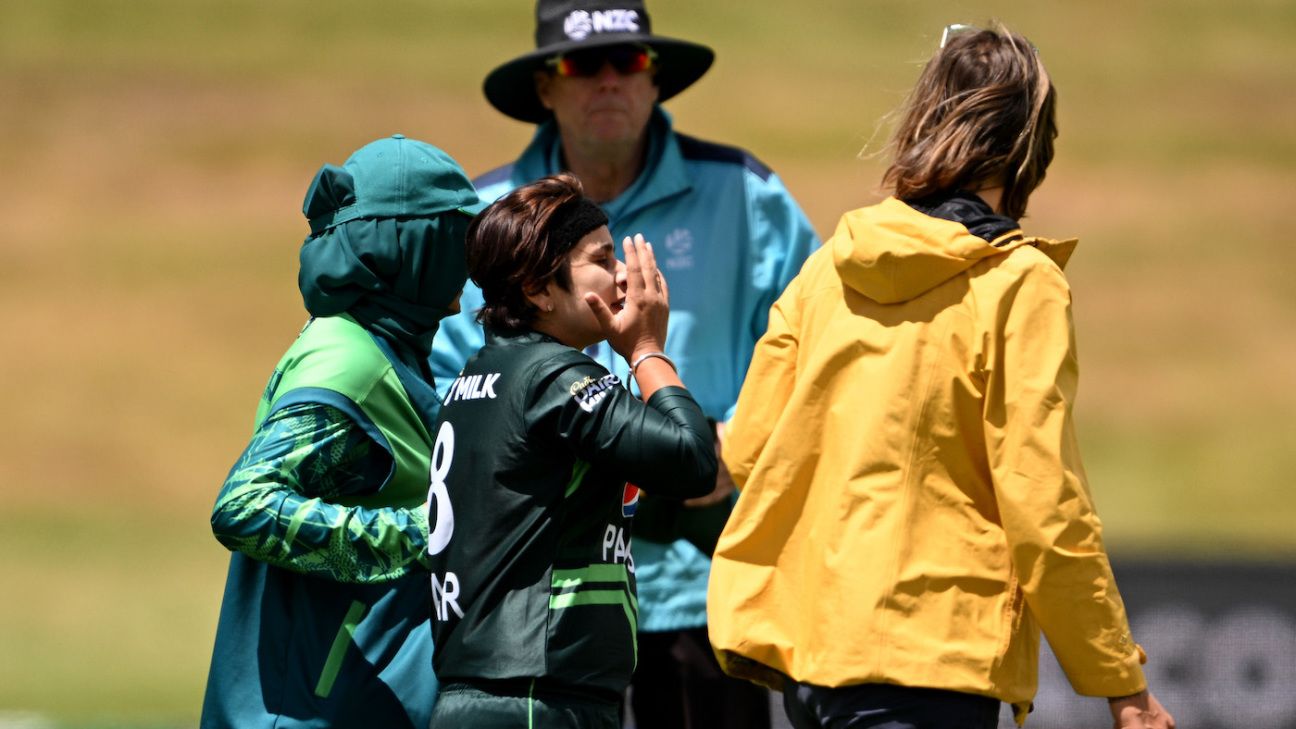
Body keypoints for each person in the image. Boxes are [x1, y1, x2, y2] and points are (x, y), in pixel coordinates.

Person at [707, 24, 1176, 729]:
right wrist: (1121, 681)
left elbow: (745, 448)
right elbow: (1044, 501)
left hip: (813, 661)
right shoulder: (1022, 283)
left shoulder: (830, 266)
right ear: (1030, 144)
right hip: (931, 662)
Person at [430, 2, 819, 725]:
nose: (607, 80)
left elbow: (824, 355)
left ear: (655, 78)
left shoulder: (746, 191)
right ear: (546, 84)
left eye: (628, 61)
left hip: (707, 588)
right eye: (583, 63)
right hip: (537, 610)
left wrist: (745, 445)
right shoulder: (487, 212)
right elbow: (445, 396)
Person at [201, 135, 484, 729]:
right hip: (306, 713)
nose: (470, 258)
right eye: (456, 237)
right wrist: (422, 536)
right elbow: (244, 507)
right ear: (406, 246)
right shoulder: (349, 363)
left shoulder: (380, 345)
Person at [425, 173, 718, 729]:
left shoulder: (483, 373)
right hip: (534, 696)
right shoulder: (552, 377)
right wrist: (647, 349)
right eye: (603, 260)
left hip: (494, 693)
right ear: (537, 288)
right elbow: (692, 461)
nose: (625, 280)